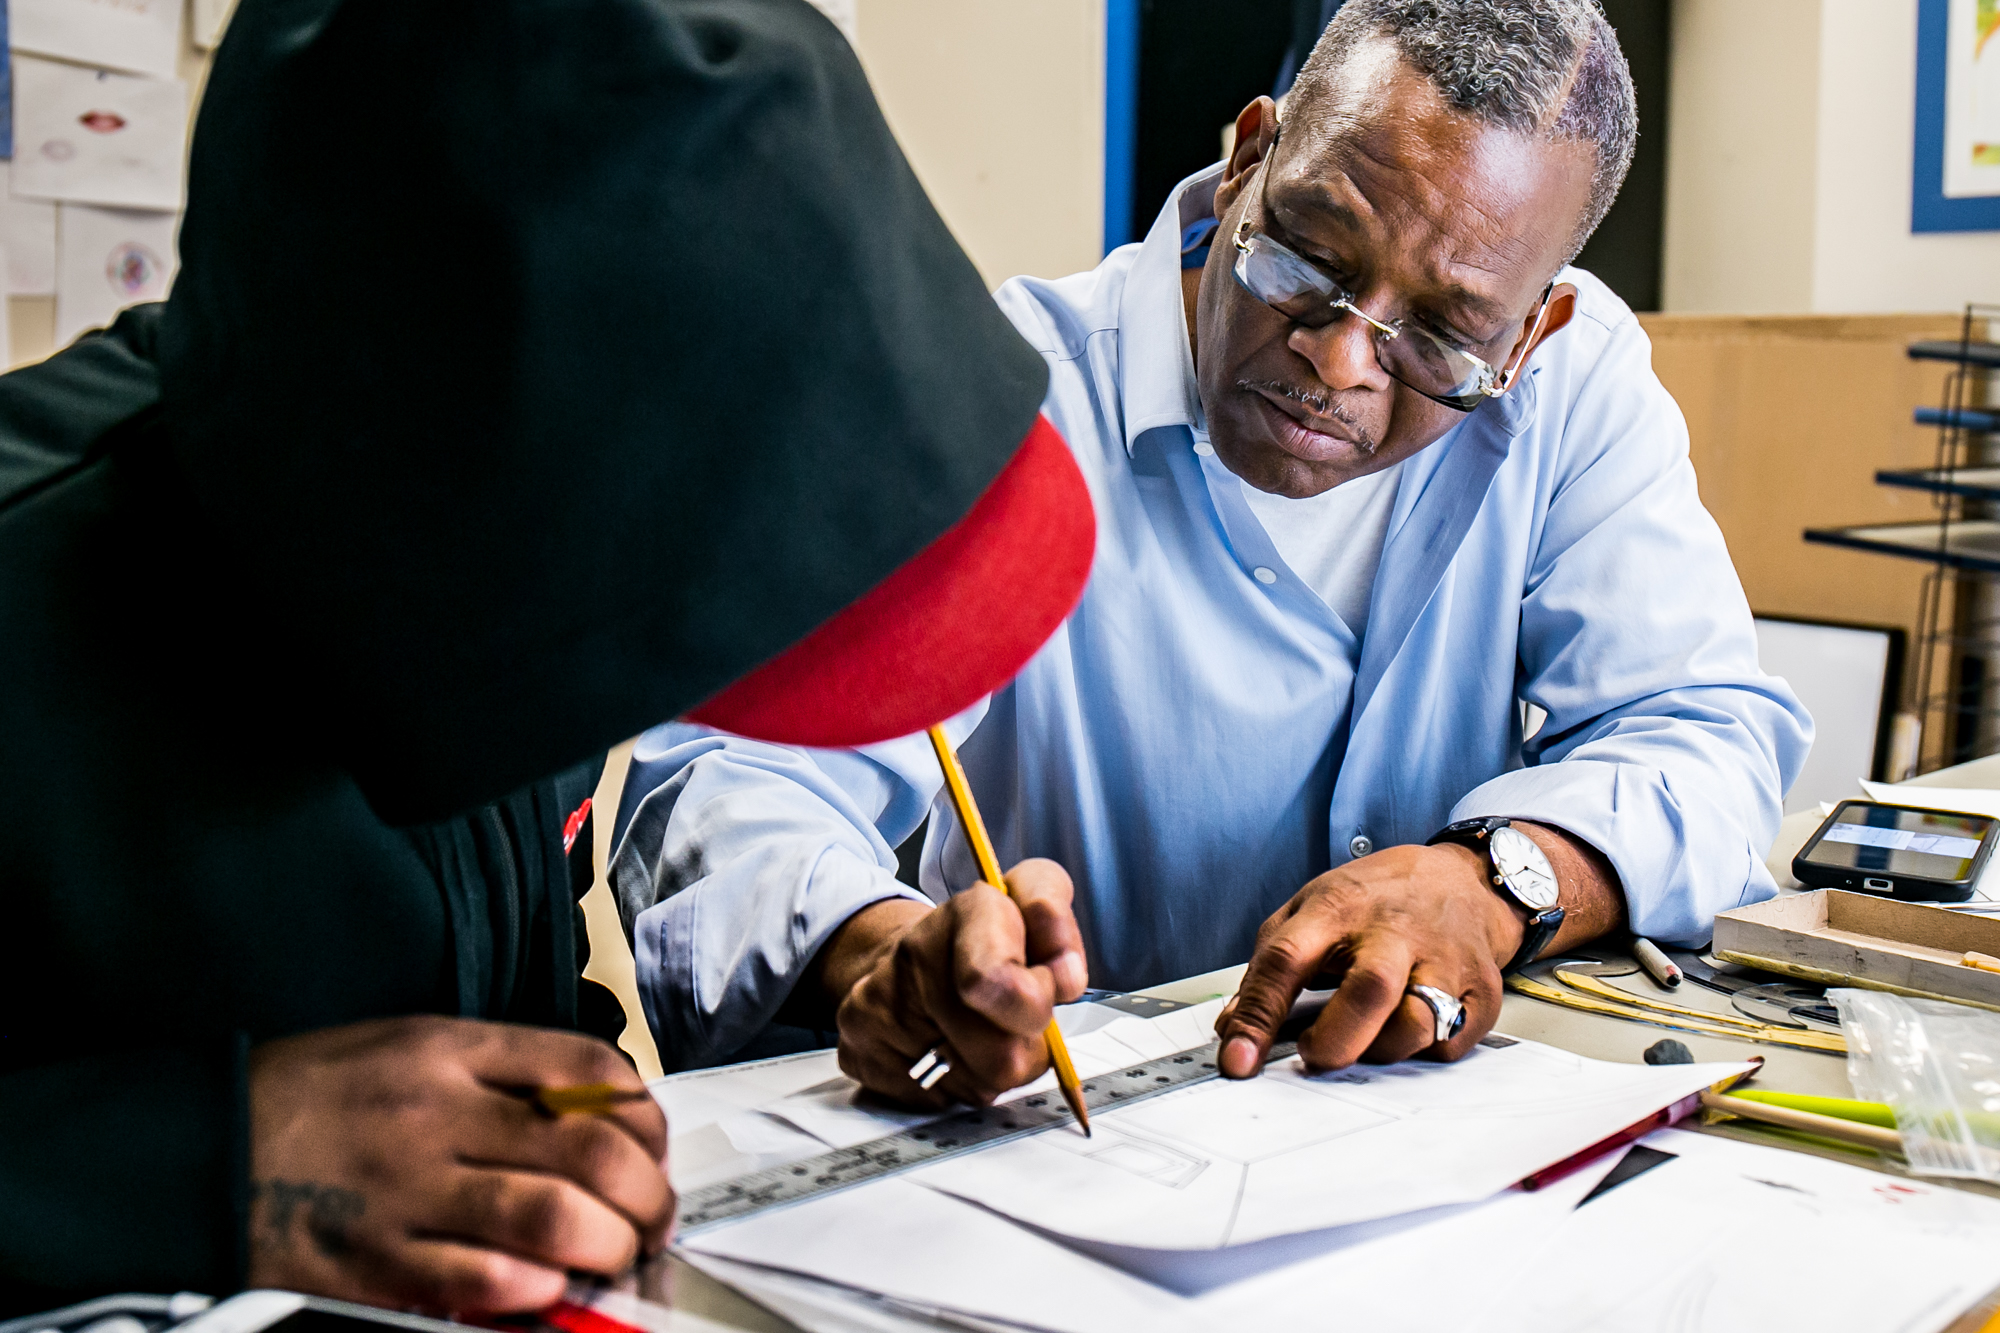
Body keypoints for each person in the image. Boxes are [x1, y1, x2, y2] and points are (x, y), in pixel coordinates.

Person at [0, 0, 1095, 1316]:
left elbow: (519, 974)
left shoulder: (519, 567)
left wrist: (811, 1002)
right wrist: (220, 1155)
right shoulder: (29, 604)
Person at [613, 0, 1812, 1107]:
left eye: (1442, 333)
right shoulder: (993, 397)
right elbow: (724, 786)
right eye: (1307, 257)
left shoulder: (1574, 383)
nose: (1337, 365)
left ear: (1532, 323)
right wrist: (879, 950)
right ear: (1250, 157)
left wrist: (1499, 880)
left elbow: (1701, 733)